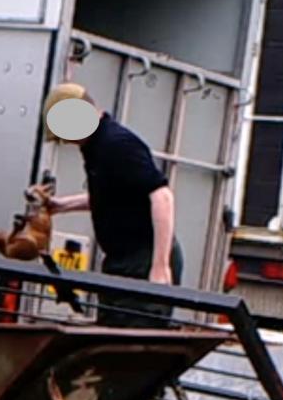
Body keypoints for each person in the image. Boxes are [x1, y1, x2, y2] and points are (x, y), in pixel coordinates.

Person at [29, 82, 184, 328]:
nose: (66, 142)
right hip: (120, 261)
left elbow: (161, 196)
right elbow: (114, 196)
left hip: (142, 260)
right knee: (111, 330)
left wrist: (159, 267)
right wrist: (60, 206)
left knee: (131, 341)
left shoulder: (117, 145)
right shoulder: (94, 148)